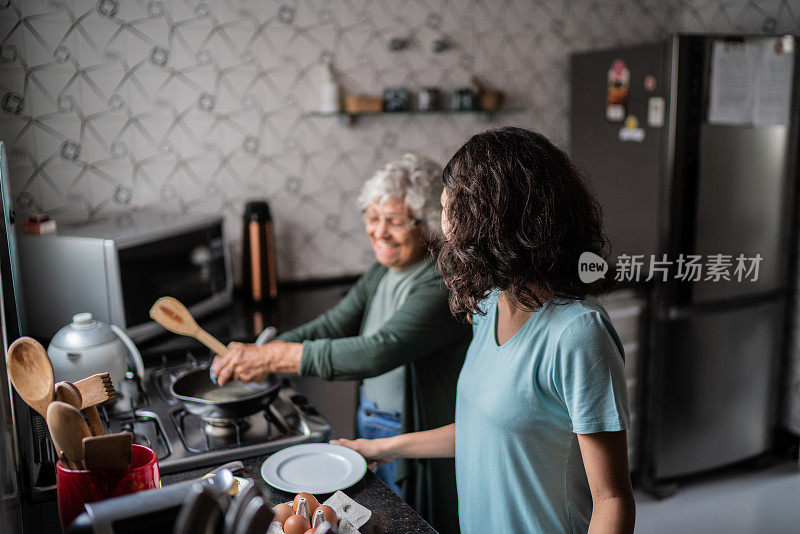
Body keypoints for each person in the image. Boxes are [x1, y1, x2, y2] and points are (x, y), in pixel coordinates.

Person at [333, 127, 636, 533]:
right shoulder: (489, 305)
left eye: (449, 211)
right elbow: (486, 430)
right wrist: (381, 447)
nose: (444, 229)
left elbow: (612, 499)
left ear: (496, 222)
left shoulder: (578, 333)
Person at [211, 153, 470, 534]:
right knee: (382, 516)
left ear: (428, 222)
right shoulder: (383, 271)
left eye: (395, 221)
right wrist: (264, 350)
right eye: (373, 216)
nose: (379, 231)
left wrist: (277, 357)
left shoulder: (438, 281)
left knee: (416, 522)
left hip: (416, 435)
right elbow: (334, 324)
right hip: (374, 421)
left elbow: (380, 349)